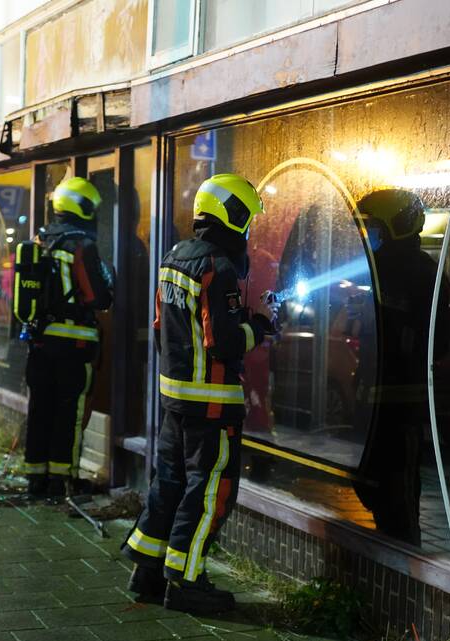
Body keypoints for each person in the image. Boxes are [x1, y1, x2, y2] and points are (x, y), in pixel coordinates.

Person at [122, 173, 277, 614]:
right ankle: (187, 581)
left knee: (169, 483)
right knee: (210, 492)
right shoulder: (218, 267)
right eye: (247, 219)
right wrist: (259, 327)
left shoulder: (174, 257)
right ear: (234, 215)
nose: (249, 229)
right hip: (211, 404)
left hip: (174, 401)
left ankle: (148, 571)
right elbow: (224, 342)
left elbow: (163, 328)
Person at [351, 188, 445, 546]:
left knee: (398, 489)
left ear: (398, 226)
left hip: (402, 401)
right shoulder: (373, 270)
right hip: (371, 397)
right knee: (368, 480)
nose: (368, 236)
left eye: (374, 228)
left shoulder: (423, 273)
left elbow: (436, 339)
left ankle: (404, 551)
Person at [23, 177, 113, 498]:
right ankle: (62, 480)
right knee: (68, 412)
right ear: (83, 208)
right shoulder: (81, 246)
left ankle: (36, 477)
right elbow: (98, 298)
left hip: (39, 341)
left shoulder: (39, 240)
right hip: (73, 345)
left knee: (39, 409)